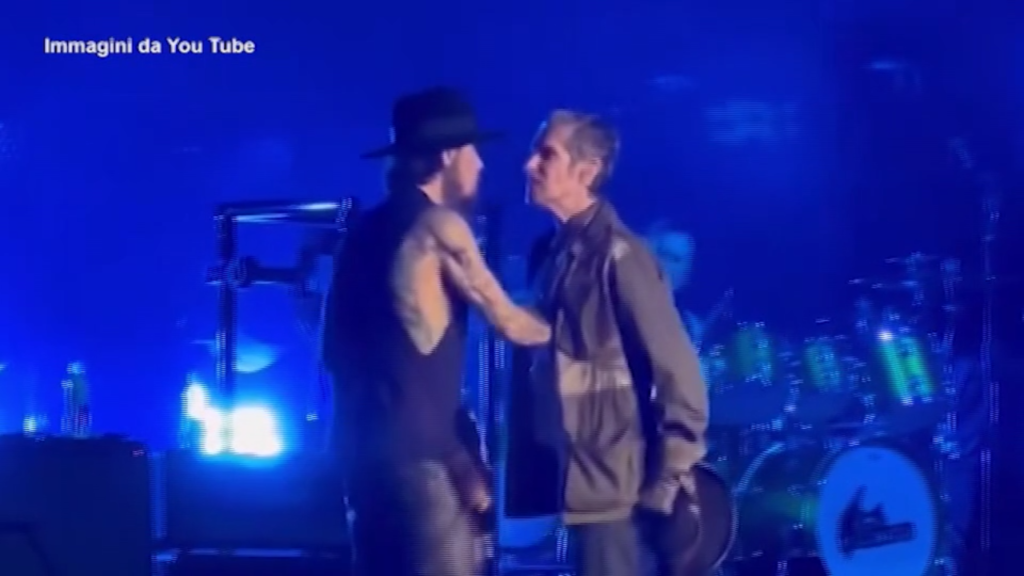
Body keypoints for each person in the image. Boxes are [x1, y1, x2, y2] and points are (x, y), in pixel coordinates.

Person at [321, 87, 551, 576]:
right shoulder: (438, 227)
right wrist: (587, 323)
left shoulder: (361, 233)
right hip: (415, 464)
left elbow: (334, 351)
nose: (480, 166)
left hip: (360, 456)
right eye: (473, 152)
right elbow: (511, 323)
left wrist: (458, 453)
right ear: (447, 157)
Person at [508, 109, 709, 576]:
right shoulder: (560, 254)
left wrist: (666, 482)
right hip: (580, 479)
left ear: (587, 170)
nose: (529, 164)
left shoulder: (621, 256)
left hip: (618, 487)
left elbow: (680, 374)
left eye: (546, 155)